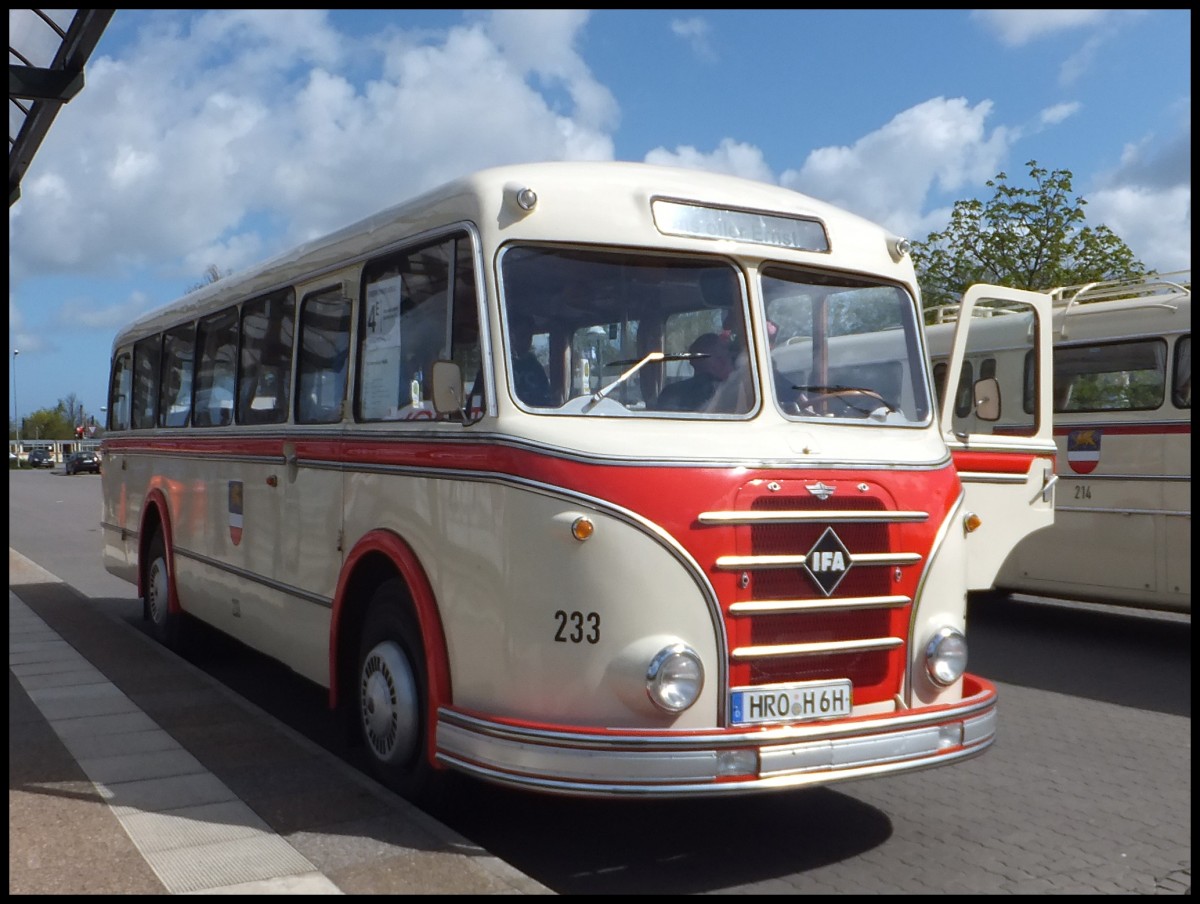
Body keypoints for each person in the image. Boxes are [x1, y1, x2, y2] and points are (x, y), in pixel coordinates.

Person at [654, 332, 734, 411]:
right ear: (694, 362)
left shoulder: (738, 391)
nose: (725, 362)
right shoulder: (673, 394)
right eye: (718, 358)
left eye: (727, 356)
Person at [509, 315, 554, 406]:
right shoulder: (497, 365)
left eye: (529, 336)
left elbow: (545, 395)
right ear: (510, 336)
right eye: (521, 335)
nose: (526, 340)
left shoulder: (534, 366)